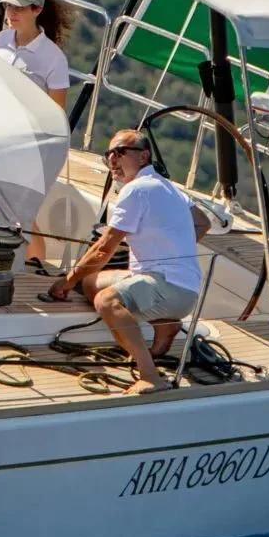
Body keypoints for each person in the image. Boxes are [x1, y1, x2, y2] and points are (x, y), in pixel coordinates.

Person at [45, 129, 205, 395]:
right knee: (92, 283)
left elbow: (103, 250)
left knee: (105, 301)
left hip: (170, 288)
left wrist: (65, 281)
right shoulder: (169, 188)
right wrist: (170, 243)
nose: (112, 159)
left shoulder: (135, 191)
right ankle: (166, 327)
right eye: (109, 154)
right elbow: (203, 222)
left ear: (143, 156)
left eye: (120, 152)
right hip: (183, 285)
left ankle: (151, 376)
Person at [0, 0, 72, 269]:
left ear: (37, 10)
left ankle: (34, 262)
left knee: (20, 213)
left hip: (31, 144)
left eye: (19, 8)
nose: (11, 13)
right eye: (9, 6)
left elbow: (57, 111)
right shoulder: (0, 42)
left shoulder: (53, 59)